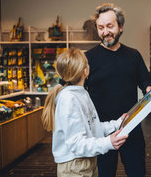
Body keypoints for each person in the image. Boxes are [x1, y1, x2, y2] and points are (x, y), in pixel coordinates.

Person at [85, 3, 151, 177]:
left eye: (110, 26)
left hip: (130, 126)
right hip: (101, 131)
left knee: (136, 172)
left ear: (120, 26)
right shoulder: (88, 58)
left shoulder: (133, 55)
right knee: (105, 174)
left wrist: (148, 89)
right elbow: (72, 86)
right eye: (101, 27)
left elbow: (145, 80)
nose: (105, 32)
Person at [41, 49, 128, 177]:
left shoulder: (81, 93)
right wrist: (108, 142)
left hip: (87, 160)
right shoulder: (69, 99)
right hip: (74, 166)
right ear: (85, 71)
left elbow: (92, 126)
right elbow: (76, 143)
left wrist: (117, 123)